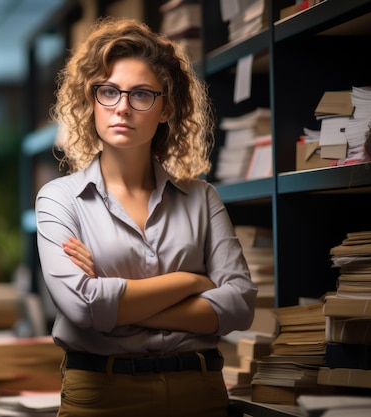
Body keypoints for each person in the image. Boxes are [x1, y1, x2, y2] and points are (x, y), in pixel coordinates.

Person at [35, 17, 258, 417]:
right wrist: (192, 282)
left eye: (141, 95)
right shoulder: (59, 199)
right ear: (91, 101)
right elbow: (82, 308)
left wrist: (115, 303)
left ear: (166, 107)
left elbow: (239, 304)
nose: (122, 107)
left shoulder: (202, 198)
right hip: (102, 395)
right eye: (108, 92)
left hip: (199, 391)